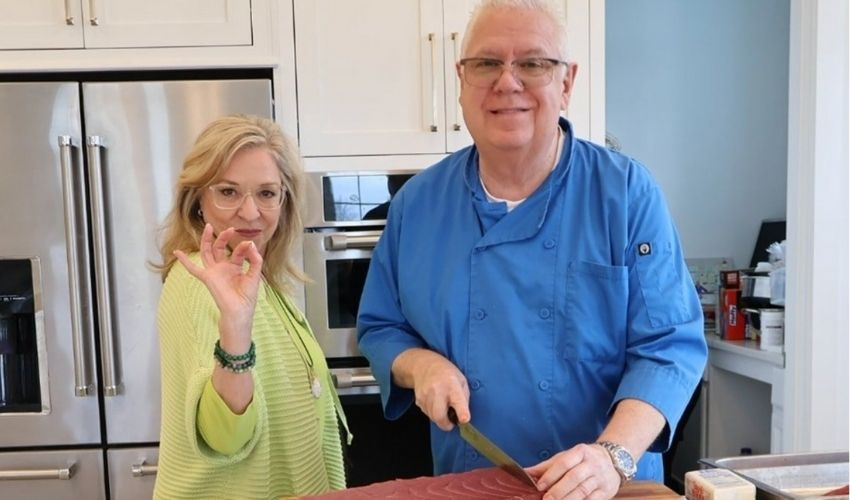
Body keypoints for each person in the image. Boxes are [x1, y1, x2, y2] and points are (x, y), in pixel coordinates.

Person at [356, 1, 707, 499]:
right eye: (486, 63)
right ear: (461, 80)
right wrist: (421, 365)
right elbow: (381, 327)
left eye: (533, 63)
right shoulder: (417, 205)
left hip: (607, 490)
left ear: (566, 82)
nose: (507, 82)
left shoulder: (626, 194)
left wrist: (612, 456)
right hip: (471, 486)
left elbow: (670, 348)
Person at [153, 115, 349, 499]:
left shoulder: (253, 274)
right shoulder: (199, 283)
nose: (250, 212)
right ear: (197, 200)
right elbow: (225, 436)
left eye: (266, 193)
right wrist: (235, 328)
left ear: (284, 200)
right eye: (228, 191)